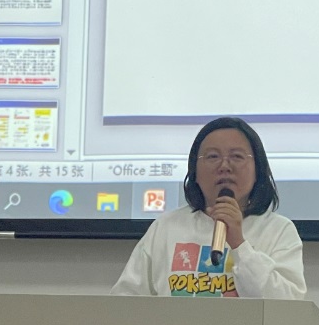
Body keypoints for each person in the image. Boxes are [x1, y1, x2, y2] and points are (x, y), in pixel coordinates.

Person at [111, 116, 306, 299]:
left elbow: (287, 304)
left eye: (237, 156)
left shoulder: (278, 230)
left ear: (258, 170)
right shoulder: (166, 227)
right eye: (212, 156)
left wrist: (239, 244)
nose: (224, 166)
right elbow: (124, 301)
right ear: (194, 171)